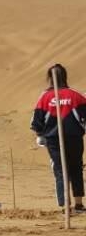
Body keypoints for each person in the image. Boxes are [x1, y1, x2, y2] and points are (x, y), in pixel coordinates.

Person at [30, 63, 86, 212]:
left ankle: (64, 206)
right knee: (76, 168)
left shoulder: (45, 97)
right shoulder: (76, 95)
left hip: (54, 140)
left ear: (50, 78)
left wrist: (40, 134)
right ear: (65, 76)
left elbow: (36, 121)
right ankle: (78, 204)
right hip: (74, 138)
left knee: (61, 170)